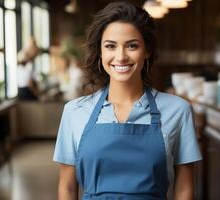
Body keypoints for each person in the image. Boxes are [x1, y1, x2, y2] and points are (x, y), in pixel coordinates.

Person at [53, 1, 202, 200]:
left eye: (132, 45)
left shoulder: (178, 110)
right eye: (110, 46)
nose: (121, 56)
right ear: (100, 52)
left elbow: (184, 189)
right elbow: (67, 188)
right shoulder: (74, 111)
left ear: (147, 50)